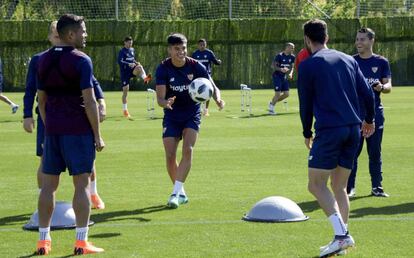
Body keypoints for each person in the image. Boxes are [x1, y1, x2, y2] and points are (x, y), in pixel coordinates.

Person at [297, 19, 375, 257]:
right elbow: (367, 93)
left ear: (307, 40)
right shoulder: (349, 59)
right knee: (339, 187)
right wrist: (370, 120)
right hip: (353, 129)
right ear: (327, 37)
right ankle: (341, 239)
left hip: (330, 130)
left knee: (316, 184)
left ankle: (342, 236)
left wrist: (306, 132)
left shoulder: (308, 65)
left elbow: (305, 104)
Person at [35, 14, 104, 255]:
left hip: (52, 133)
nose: (86, 35)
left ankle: (43, 241)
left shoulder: (42, 60)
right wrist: (98, 135)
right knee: (82, 185)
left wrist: (49, 126)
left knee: (48, 187)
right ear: (71, 34)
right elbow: (90, 100)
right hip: (77, 132)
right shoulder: (81, 60)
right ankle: (81, 242)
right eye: (83, 31)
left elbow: (40, 100)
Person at [23, 21, 106, 210]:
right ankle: (42, 203)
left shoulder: (78, 58)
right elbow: (31, 90)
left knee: (86, 162)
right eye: (54, 35)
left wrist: (102, 101)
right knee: (45, 162)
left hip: (75, 120)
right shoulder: (40, 60)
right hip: (49, 120)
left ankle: (93, 194)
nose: (57, 38)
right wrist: (27, 114)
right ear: (52, 37)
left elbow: (93, 83)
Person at [155, 33, 225, 209]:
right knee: (170, 155)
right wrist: (166, 103)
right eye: (177, 49)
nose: (181, 52)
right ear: (170, 50)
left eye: (184, 48)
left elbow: (212, 86)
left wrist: (217, 98)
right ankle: (181, 192)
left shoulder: (197, 66)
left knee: (188, 149)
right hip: (172, 115)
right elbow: (160, 99)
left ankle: (174, 193)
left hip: (192, 113)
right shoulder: (163, 68)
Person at [347, 28, 392, 198]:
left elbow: (388, 86)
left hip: (375, 114)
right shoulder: (351, 61)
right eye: (357, 39)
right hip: (355, 115)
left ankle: (377, 187)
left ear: (372, 41)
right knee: (352, 152)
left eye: (362, 39)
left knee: (374, 151)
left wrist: (382, 87)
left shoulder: (381, 62)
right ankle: (349, 188)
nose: (358, 42)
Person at [117, 36, 152, 119]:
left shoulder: (132, 50)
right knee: (125, 92)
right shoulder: (122, 51)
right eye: (129, 43)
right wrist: (128, 64)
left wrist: (136, 62)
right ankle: (125, 110)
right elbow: (120, 61)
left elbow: (132, 59)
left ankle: (145, 79)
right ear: (125, 43)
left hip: (132, 70)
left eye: (131, 43)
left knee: (139, 67)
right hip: (125, 73)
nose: (130, 44)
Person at [191, 38, 222, 116]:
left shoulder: (209, 53)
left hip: (206, 75)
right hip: (197, 76)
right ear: (198, 45)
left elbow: (214, 61)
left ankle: (206, 110)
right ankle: (196, 109)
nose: (202, 46)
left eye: (203, 44)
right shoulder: (195, 54)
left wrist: (218, 62)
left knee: (209, 91)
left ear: (206, 45)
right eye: (200, 45)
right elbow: (191, 65)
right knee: (195, 92)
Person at [268, 42, 295, 115]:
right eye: (291, 48)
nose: (293, 49)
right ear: (287, 47)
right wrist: (281, 69)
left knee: (286, 94)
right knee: (278, 93)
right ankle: (271, 109)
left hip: (284, 77)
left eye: (293, 48)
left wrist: (291, 73)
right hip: (277, 76)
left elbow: (292, 67)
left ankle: (271, 103)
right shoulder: (279, 56)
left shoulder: (292, 57)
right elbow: (273, 66)